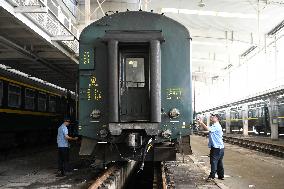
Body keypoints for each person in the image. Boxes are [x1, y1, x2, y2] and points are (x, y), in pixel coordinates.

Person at [197, 113, 224, 181]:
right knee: (219, 162)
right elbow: (209, 131)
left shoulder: (216, 125)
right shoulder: (216, 125)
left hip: (216, 147)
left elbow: (208, 129)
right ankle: (221, 176)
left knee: (213, 162)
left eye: (213, 116)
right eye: (211, 116)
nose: (211, 117)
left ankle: (212, 176)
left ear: (217, 118)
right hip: (220, 147)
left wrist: (201, 122)